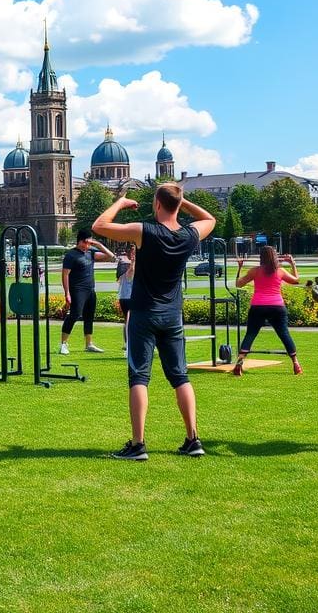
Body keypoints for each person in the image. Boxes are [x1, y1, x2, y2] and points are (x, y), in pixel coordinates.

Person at [92, 184, 216, 460]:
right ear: (176, 204)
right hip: (172, 316)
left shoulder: (144, 231)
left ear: (157, 204)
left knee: (138, 377)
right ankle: (193, 439)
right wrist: (182, 203)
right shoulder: (188, 235)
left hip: (144, 313)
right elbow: (210, 219)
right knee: (180, 377)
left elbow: (100, 225)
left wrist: (121, 203)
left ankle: (138, 445)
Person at [233, 247, 302, 376]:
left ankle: (239, 362)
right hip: (277, 306)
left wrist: (240, 267)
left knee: (250, 334)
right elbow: (296, 280)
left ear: (261, 257)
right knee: (284, 334)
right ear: (274, 256)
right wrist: (293, 264)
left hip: (258, 306)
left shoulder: (254, 271)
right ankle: (296, 364)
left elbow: (238, 284)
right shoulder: (280, 271)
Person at [59, 228, 115, 355]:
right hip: (77, 290)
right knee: (74, 315)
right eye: (86, 242)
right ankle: (63, 344)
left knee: (89, 316)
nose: (87, 245)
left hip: (90, 290)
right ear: (80, 241)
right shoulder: (71, 255)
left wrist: (98, 245)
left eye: (89, 243)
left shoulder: (90, 253)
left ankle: (89, 344)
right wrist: (67, 293)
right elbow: (65, 275)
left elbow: (111, 257)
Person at [116, 244, 136, 350]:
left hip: (136, 296)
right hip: (127, 296)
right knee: (128, 320)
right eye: (132, 252)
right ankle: (128, 343)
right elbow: (129, 276)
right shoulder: (123, 263)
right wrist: (133, 263)